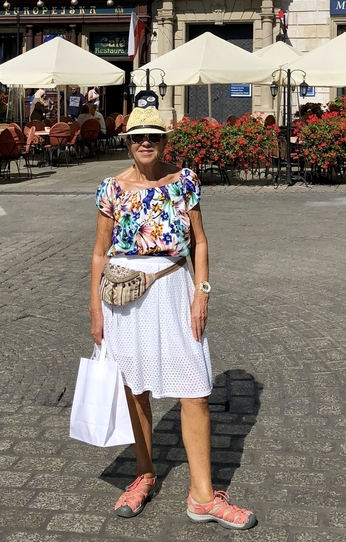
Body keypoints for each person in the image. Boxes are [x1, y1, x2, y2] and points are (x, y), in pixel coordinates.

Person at [89, 106, 256, 530]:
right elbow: (98, 251)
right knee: (133, 388)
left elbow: (200, 242)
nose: (146, 142)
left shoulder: (184, 181)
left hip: (175, 287)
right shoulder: (111, 188)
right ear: (126, 142)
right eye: (137, 136)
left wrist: (201, 293)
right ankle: (144, 474)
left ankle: (202, 496)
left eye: (155, 136)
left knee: (195, 389)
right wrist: (95, 308)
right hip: (123, 296)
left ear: (165, 141)